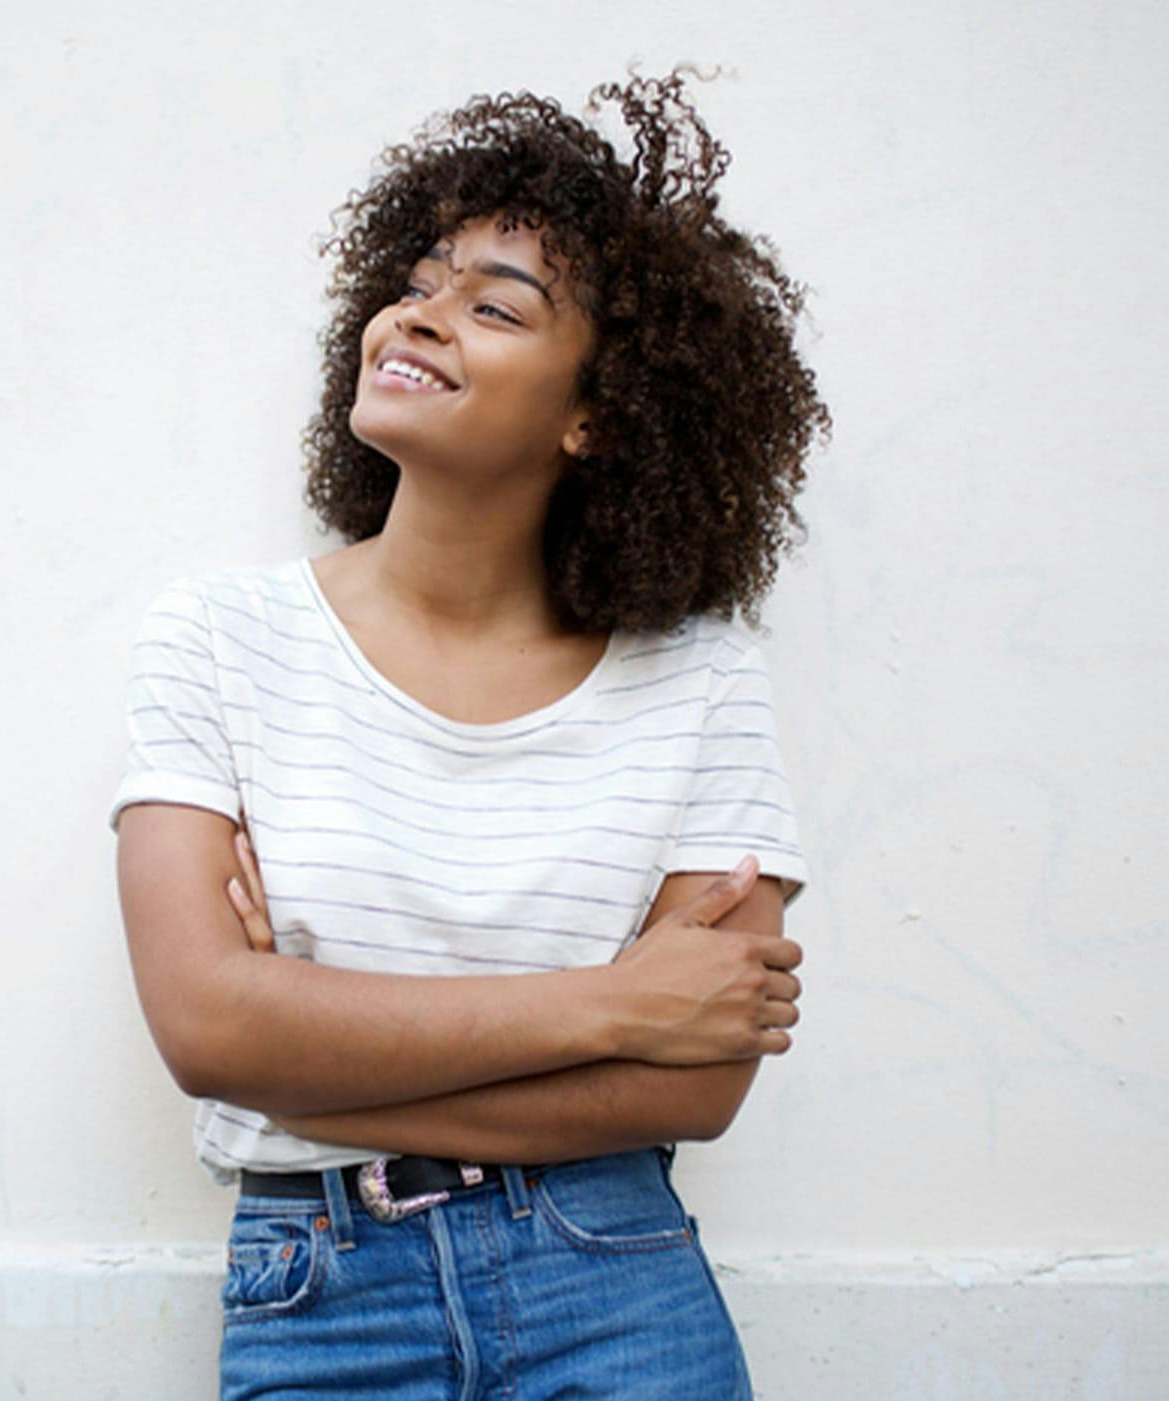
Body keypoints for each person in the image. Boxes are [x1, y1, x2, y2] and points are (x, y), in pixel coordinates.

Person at [110, 63, 830, 1400]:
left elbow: (696, 1084)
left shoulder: (699, 684)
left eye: (493, 304)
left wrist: (308, 1071)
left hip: (614, 1280)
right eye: (421, 279)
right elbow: (209, 1026)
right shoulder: (217, 636)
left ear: (593, 415)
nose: (420, 315)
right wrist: (618, 1001)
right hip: (318, 1293)